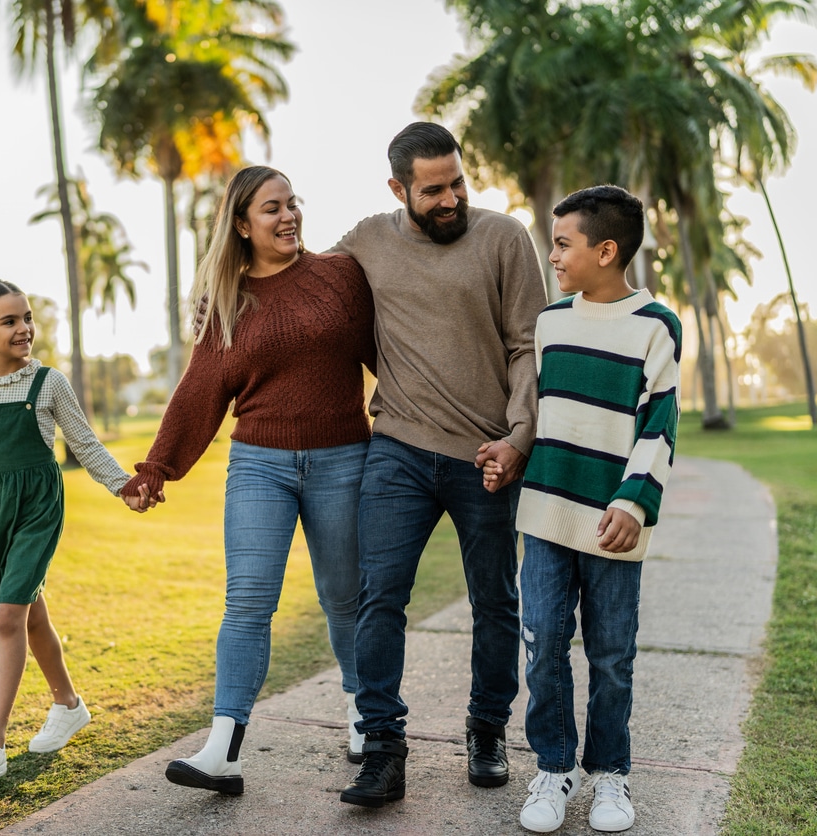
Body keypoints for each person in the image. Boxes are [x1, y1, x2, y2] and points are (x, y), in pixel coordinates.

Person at [120, 165, 377, 795]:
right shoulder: (226, 301)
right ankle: (221, 748)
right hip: (259, 464)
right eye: (271, 208)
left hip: (344, 458)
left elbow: (387, 356)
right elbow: (202, 388)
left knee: (345, 597)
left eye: (293, 204)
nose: (288, 216)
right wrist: (158, 467)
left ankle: (361, 714)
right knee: (248, 603)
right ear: (241, 223)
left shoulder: (340, 276)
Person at [334, 122, 547, 808]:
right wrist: (215, 299)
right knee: (379, 597)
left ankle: (486, 730)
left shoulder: (504, 238)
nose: (450, 197)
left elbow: (527, 347)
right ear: (398, 189)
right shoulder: (367, 239)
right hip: (396, 446)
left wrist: (518, 436)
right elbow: (303, 291)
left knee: (494, 601)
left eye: (457, 181)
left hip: (486, 455)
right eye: (433, 190)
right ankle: (382, 749)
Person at [0, 279, 154, 786]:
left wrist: (123, 486)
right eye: (9, 321)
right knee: (31, 615)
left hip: (39, 507)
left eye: (28, 318)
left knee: (9, 615)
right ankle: (68, 704)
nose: (24, 329)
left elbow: (85, 443)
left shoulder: (50, 383)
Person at [483, 185, 680, 833]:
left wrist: (633, 500)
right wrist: (510, 452)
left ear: (606, 249)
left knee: (610, 656)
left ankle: (609, 777)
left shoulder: (656, 325)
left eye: (563, 243)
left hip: (613, 524)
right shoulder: (551, 322)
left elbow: (660, 421)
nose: (553, 255)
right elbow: (537, 415)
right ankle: (554, 765)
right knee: (540, 647)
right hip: (544, 517)